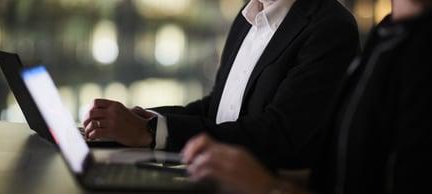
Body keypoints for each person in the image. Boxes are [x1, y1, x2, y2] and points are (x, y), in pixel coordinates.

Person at [181, 0, 432, 193]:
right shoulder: (386, 37)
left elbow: (280, 131)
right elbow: (348, 170)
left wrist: (268, 187)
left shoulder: (336, 26)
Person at [83, 0, 359, 169]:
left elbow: (279, 135)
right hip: (212, 173)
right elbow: (217, 107)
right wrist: (146, 120)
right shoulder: (247, 15)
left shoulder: (331, 26)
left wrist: (153, 132)